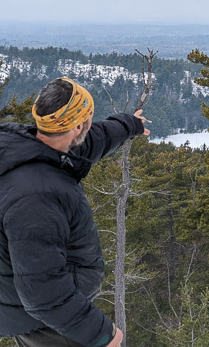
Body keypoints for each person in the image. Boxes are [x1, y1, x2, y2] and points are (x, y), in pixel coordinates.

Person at [0, 77, 150, 347]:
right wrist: (103, 335)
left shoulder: (34, 147)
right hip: (45, 321)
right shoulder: (36, 196)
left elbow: (91, 141)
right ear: (77, 126)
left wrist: (130, 125)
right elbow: (43, 293)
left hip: (32, 304)